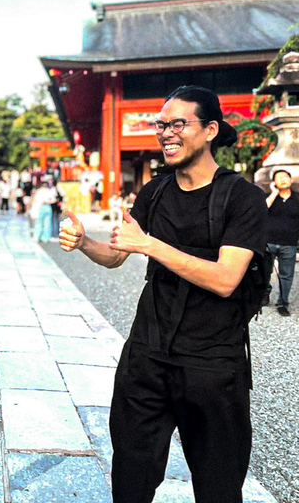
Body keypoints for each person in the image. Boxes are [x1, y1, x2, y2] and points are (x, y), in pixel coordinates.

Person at [60, 85, 267, 503]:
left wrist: (151, 246)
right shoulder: (156, 191)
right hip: (147, 359)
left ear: (210, 130)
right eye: (161, 125)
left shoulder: (243, 198)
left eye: (178, 124)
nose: (166, 133)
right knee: (131, 481)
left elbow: (226, 278)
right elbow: (117, 255)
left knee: (218, 489)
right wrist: (84, 242)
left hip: (212, 365)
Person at [264, 168, 299, 316]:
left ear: (291, 180)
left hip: (289, 243)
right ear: (274, 183)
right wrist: (273, 193)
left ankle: (282, 302)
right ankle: (264, 295)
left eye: (285, 177)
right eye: (279, 178)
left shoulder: (297, 198)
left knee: (286, 275)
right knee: (264, 272)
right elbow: (262, 210)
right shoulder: (269, 197)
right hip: (268, 241)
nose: (283, 180)